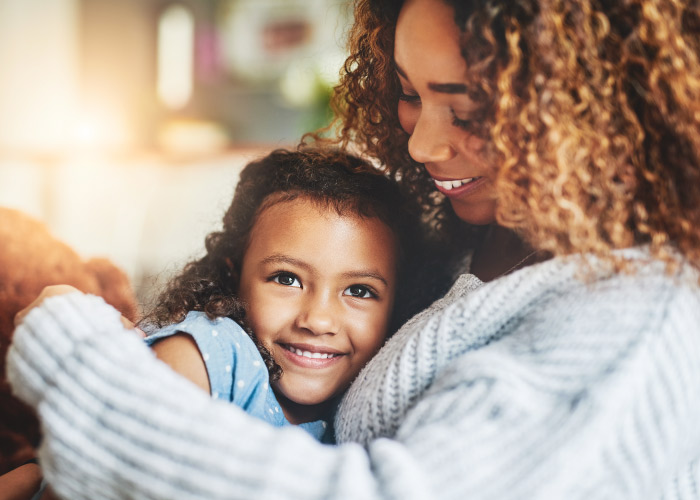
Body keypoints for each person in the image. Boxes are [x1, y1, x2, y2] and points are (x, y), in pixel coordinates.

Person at [7, 0, 700, 498]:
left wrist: (75, 360)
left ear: (591, 108)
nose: (422, 144)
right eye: (407, 93)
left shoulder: (637, 320)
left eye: (468, 111)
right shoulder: (468, 234)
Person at [139, 147, 445, 441]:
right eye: (287, 279)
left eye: (359, 291)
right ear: (233, 276)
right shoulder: (211, 354)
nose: (318, 321)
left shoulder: (371, 403)